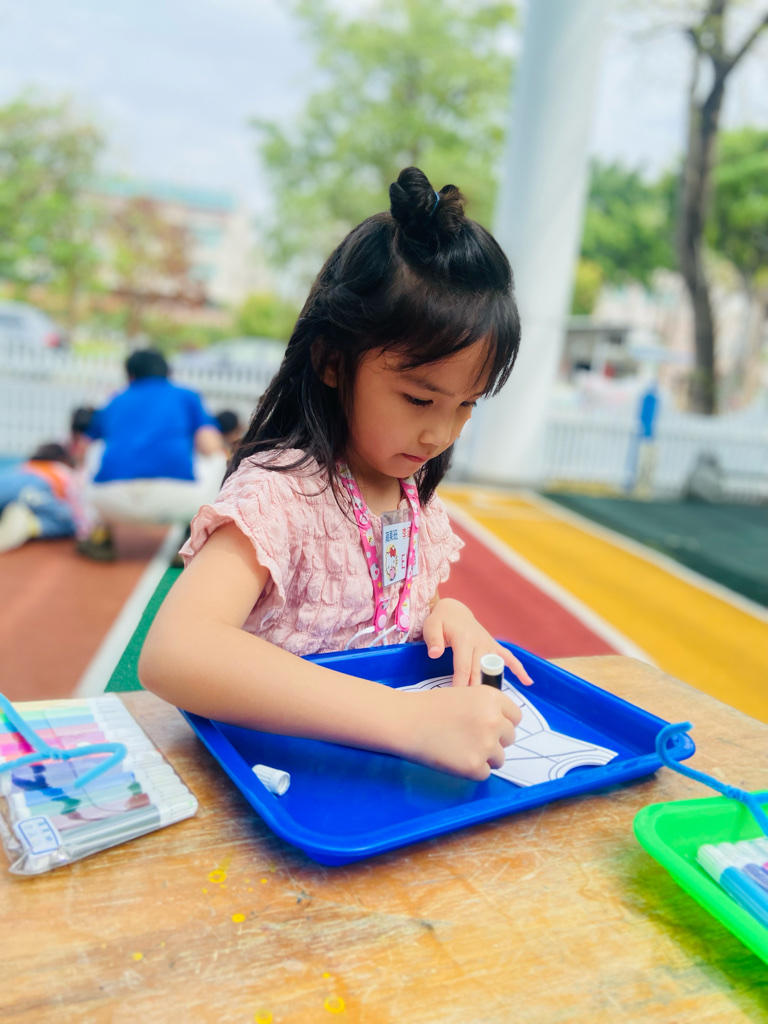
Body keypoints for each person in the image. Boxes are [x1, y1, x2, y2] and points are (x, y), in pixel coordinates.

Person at [140, 166, 531, 781]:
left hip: (368, 787)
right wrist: (409, 722)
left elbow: (395, 604)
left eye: (466, 405)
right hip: (276, 782)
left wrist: (446, 613)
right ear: (331, 361)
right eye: (419, 399)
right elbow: (175, 652)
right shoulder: (279, 495)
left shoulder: (414, 501)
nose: (441, 433)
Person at [77, 349, 227, 560]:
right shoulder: (186, 396)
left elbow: (81, 449)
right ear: (168, 372)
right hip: (178, 500)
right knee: (217, 456)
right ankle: (192, 539)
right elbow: (209, 445)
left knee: (95, 449)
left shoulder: (114, 399)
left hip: (111, 503)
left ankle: (101, 535)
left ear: (130, 375)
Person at [0, 443, 78, 553]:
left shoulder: (23, 465)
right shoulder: (59, 468)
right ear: (62, 459)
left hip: (6, 487)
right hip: (30, 489)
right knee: (70, 521)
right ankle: (30, 524)